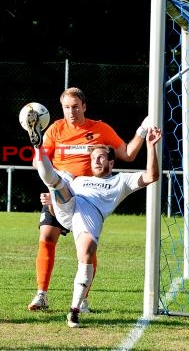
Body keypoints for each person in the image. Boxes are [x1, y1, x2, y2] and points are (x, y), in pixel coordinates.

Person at [23, 87, 151, 313]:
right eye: (66, 108)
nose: (71, 112)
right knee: (46, 236)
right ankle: (41, 294)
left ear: (84, 106)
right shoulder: (55, 129)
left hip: (87, 198)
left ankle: (82, 301)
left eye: (75, 107)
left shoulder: (100, 129)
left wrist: (142, 130)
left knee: (88, 249)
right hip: (61, 190)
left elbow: (128, 154)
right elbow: (37, 162)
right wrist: (52, 179)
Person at [30, 124, 161, 327]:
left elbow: (152, 176)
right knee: (57, 182)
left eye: (100, 157)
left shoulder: (121, 181)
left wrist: (151, 146)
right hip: (70, 203)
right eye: (93, 159)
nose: (96, 161)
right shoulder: (80, 180)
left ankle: (74, 311)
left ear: (111, 162)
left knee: (87, 254)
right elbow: (59, 213)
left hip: (89, 215)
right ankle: (39, 146)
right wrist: (52, 203)